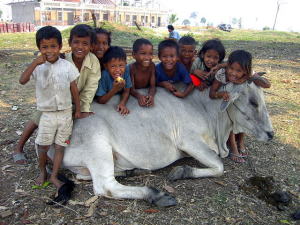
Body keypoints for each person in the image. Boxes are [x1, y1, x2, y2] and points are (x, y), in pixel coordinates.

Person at [12, 24, 100, 164]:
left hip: (77, 101)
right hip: (57, 100)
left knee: (71, 126)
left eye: (85, 43)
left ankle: (56, 154)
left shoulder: (93, 61)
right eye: (76, 42)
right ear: (69, 43)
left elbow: (90, 87)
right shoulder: (63, 58)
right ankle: (19, 148)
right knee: (37, 117)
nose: (80, 47)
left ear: (91, 46)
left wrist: (82, 109)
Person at [18, 26, 81, 189]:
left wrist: (79, 109)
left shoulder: (67, 66)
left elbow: (74, 89)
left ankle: (53, 175)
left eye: (53, 46)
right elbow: (22, 80)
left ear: (59, 47)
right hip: (47, 115)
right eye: (44, 47)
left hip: (66, 113)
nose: (49, 51)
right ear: (39, 49)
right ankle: (42, 171)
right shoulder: (38, 67)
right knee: (43, 145)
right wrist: (34, 63)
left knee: (60, 146)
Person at [209, 50, 253, 163]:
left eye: (238, 71)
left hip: (239, 101)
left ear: (246, 71)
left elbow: (267, 84)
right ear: (227, 66)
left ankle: (241, 141)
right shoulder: (222, 74)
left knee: (243, 113)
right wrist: (221, 94)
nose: (233, 73)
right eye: (231, 68)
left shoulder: (248, 75)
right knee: (230, 117)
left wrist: (247, 78)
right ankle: (233, 145)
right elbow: (212, 93)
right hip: (225, 100)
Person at [95, 46, 132, 115]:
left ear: (125, 64)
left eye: (121, 65)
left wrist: (122, 103)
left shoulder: (126, 70)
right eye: (113, 66)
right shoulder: (104, 75)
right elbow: (100, 100)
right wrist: (115, 89)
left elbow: (127, 90)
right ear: (106, 66)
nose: (117, 70)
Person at [130, 38, 156, 107]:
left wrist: (151, 95)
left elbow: (152, 86)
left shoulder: (152, 66)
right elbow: (131, 89)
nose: (147, 57)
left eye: (150, 53)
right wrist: (139, 96)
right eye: (143, 53)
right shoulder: (132, 68)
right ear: (134, 55)